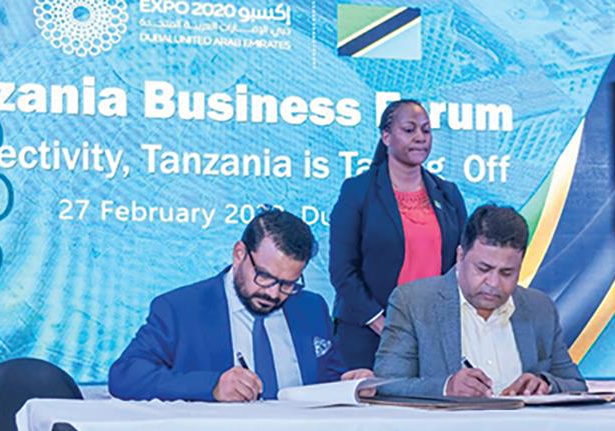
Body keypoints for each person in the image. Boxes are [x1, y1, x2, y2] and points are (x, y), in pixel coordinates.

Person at [109, 208, 375, 402]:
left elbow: (328, 376)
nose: (273, 293)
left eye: (288, 283)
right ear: (239, 254)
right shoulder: (180, 309)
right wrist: (212, 386)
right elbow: (125, 376)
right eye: (265, 277)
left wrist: (348, 384)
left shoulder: (311, 308)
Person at [374, 204, 586, 397]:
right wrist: (447, 387)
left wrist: (545, 384)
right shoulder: (414, 302)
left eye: (507, 273)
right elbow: (386, 383)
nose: (493, 283)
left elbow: (575, 384)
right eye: (483, 269)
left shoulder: (540, 308)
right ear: (460, 256)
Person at [329, 99, 468, 369]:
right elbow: (342, 270)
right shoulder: (358, 191)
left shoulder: (448, 194)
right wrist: (382, 324)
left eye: (426, 130)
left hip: (431, 336)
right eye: (409, 129)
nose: (420, 137)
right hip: (368, 336)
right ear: (386, 137)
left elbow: (461, 263)